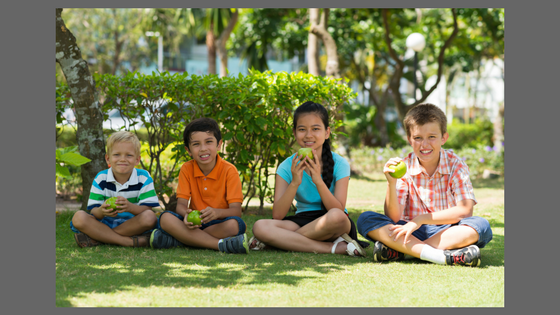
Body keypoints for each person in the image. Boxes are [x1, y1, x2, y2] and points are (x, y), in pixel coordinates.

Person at [357, 103, 493, 266]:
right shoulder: (404, 167)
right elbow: (393, 218)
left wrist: (421, 219)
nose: (425, 144)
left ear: (444, 138)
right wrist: (391, 184)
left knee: (481, 226)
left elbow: (465, 210)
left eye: (432, 137)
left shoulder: (455, 165)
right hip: (409, 231)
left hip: (447, 231)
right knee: (366, 219)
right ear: (409, 140)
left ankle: (404, 251)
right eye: (418, 138)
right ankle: (442, 256)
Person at [249, 101, 367, 257]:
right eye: (302, 129)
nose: (308, 135)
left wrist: (318, 180)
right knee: (260, 227)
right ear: (295, 133)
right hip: (303, 220)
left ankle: (280, 242)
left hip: (333, 222)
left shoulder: (340, 164)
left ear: (327, 132)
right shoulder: (286, 167)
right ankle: (333, 248)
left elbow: (338, 209)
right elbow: (277, 215)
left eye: (316, 129)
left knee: (337, 216)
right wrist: (295, 182)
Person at [149, 117, 249, 254]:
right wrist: (186, 215)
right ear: (188, 150)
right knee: (165, 218)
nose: (203, 149)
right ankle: (220, 245)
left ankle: (181, 240)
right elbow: (181, 206)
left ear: (219, 145)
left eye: (209, 142)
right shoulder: (186, 169)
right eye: (196, 144)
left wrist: (217, 212)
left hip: (219, 224)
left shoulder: (229, 170)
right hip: (192, 225)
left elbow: (236, 211)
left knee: (235, 225)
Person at [71, 131, 159, 248]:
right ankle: (129, 242)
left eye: (129, 155)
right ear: (108, 159)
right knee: (78, 217)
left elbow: (147, 209)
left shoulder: (143, 177)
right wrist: (102, 211)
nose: (122, 159)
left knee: (150, 217)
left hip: (132, 224)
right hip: (106, 223)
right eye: (117, 155)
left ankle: (99, 237)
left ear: (137, 160)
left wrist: (130, 207)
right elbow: (94, 211)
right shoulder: (101, 178)